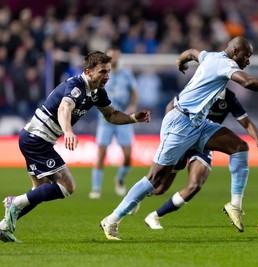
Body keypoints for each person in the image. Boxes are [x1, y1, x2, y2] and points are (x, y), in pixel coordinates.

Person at [100, 36, 258, 240]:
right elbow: (249, 82)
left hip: (199, 123)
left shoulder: (211, 56)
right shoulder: (225, 64)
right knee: (155, 180)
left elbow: (191, 52)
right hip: (180, 123)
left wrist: (181, 60)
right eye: (247, 55)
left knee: (240, 147)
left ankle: (235, 205)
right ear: (235, 52)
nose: (249, 61)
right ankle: (112, 219)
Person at [0, 51, 151, 243]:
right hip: (37, 138)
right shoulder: (76, 86)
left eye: (108, 72)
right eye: (102, 72)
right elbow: (65, 108)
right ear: (88, 72)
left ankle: (4, 226)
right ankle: (14, 202)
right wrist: (68, 131)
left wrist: (132, 118)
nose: (107, 76)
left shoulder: (98, 93)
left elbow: (111, 115)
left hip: (34, 138)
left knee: (39, 190)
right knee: (68, 186)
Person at [144, 88, 258, 229]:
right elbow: (171, 105)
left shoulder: (229, 97)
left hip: (204, 143)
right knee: (160, 188)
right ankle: (136, 198)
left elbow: (246, 122)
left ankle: (154, 216)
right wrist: (168, 133)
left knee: (195, 185)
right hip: (182, 138)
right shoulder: (200, 87)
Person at [89, 47, 139, 199]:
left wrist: (133, 106)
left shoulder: (127, 73)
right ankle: (96, 188)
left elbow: (134, 92)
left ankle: (120, 178)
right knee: (101, 153)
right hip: (105, 119)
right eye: (111, 57)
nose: (114, 59)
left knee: (128, 156)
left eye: (116, 56)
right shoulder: (101, 74)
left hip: (122, 117)